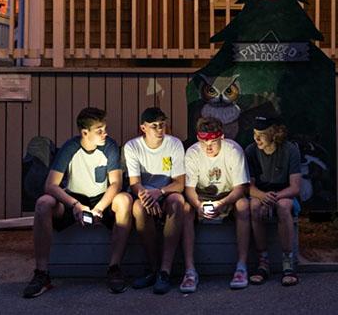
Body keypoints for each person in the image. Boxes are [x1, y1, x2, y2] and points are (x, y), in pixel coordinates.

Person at [22, 106, 131, 298]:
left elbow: (116, 183)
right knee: (43, 203)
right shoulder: (70, 147)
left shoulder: (110, 146)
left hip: (101, 200)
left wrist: (98, 209)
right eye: (99, 130)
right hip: (74, 199)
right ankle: (41, 274)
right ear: (84, 132)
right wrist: (76, 205)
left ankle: (114, 268)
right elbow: (51, 185)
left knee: (124, 200)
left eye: (104, 128)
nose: (105, 133)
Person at [181, 115, 251, 292]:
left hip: (229, 195)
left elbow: (240, 188)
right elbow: (189, 189)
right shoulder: (192, 152)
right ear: (198, 138)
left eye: (213, 141)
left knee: (243, 205)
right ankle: (190, 271)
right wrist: (198, 206)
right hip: (203, 195)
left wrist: (221, 203)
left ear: (221, 137)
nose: (208, 146)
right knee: (185, 209)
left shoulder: (234, 151)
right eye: (204, 142)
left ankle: (242, 266)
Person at [122, 107, 186, 295]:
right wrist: (148, 196)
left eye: (162, 125)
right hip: (146, 195)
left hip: (166, 192)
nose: (159, 129)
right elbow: (134, 183)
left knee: (177, 201)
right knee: (138, 207)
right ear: (143, 128)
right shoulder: (133, 146)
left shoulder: (174, 144)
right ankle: (153, 267)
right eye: (154, 126)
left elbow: (180, 183)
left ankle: (165, 270)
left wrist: (160, 192)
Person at [245, 115, 302, 286]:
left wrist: (272, 198)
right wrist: (262, 197)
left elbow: (295, 187)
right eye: (255, 133)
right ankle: (263, 262)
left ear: (272, 134)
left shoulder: (289, 150)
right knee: (253, 206)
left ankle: (288, 262)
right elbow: (249, 186)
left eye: (261, 134)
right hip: (261, 192)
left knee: (283, 207)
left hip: (284, 193)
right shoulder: (251, 151)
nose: (256, 138)